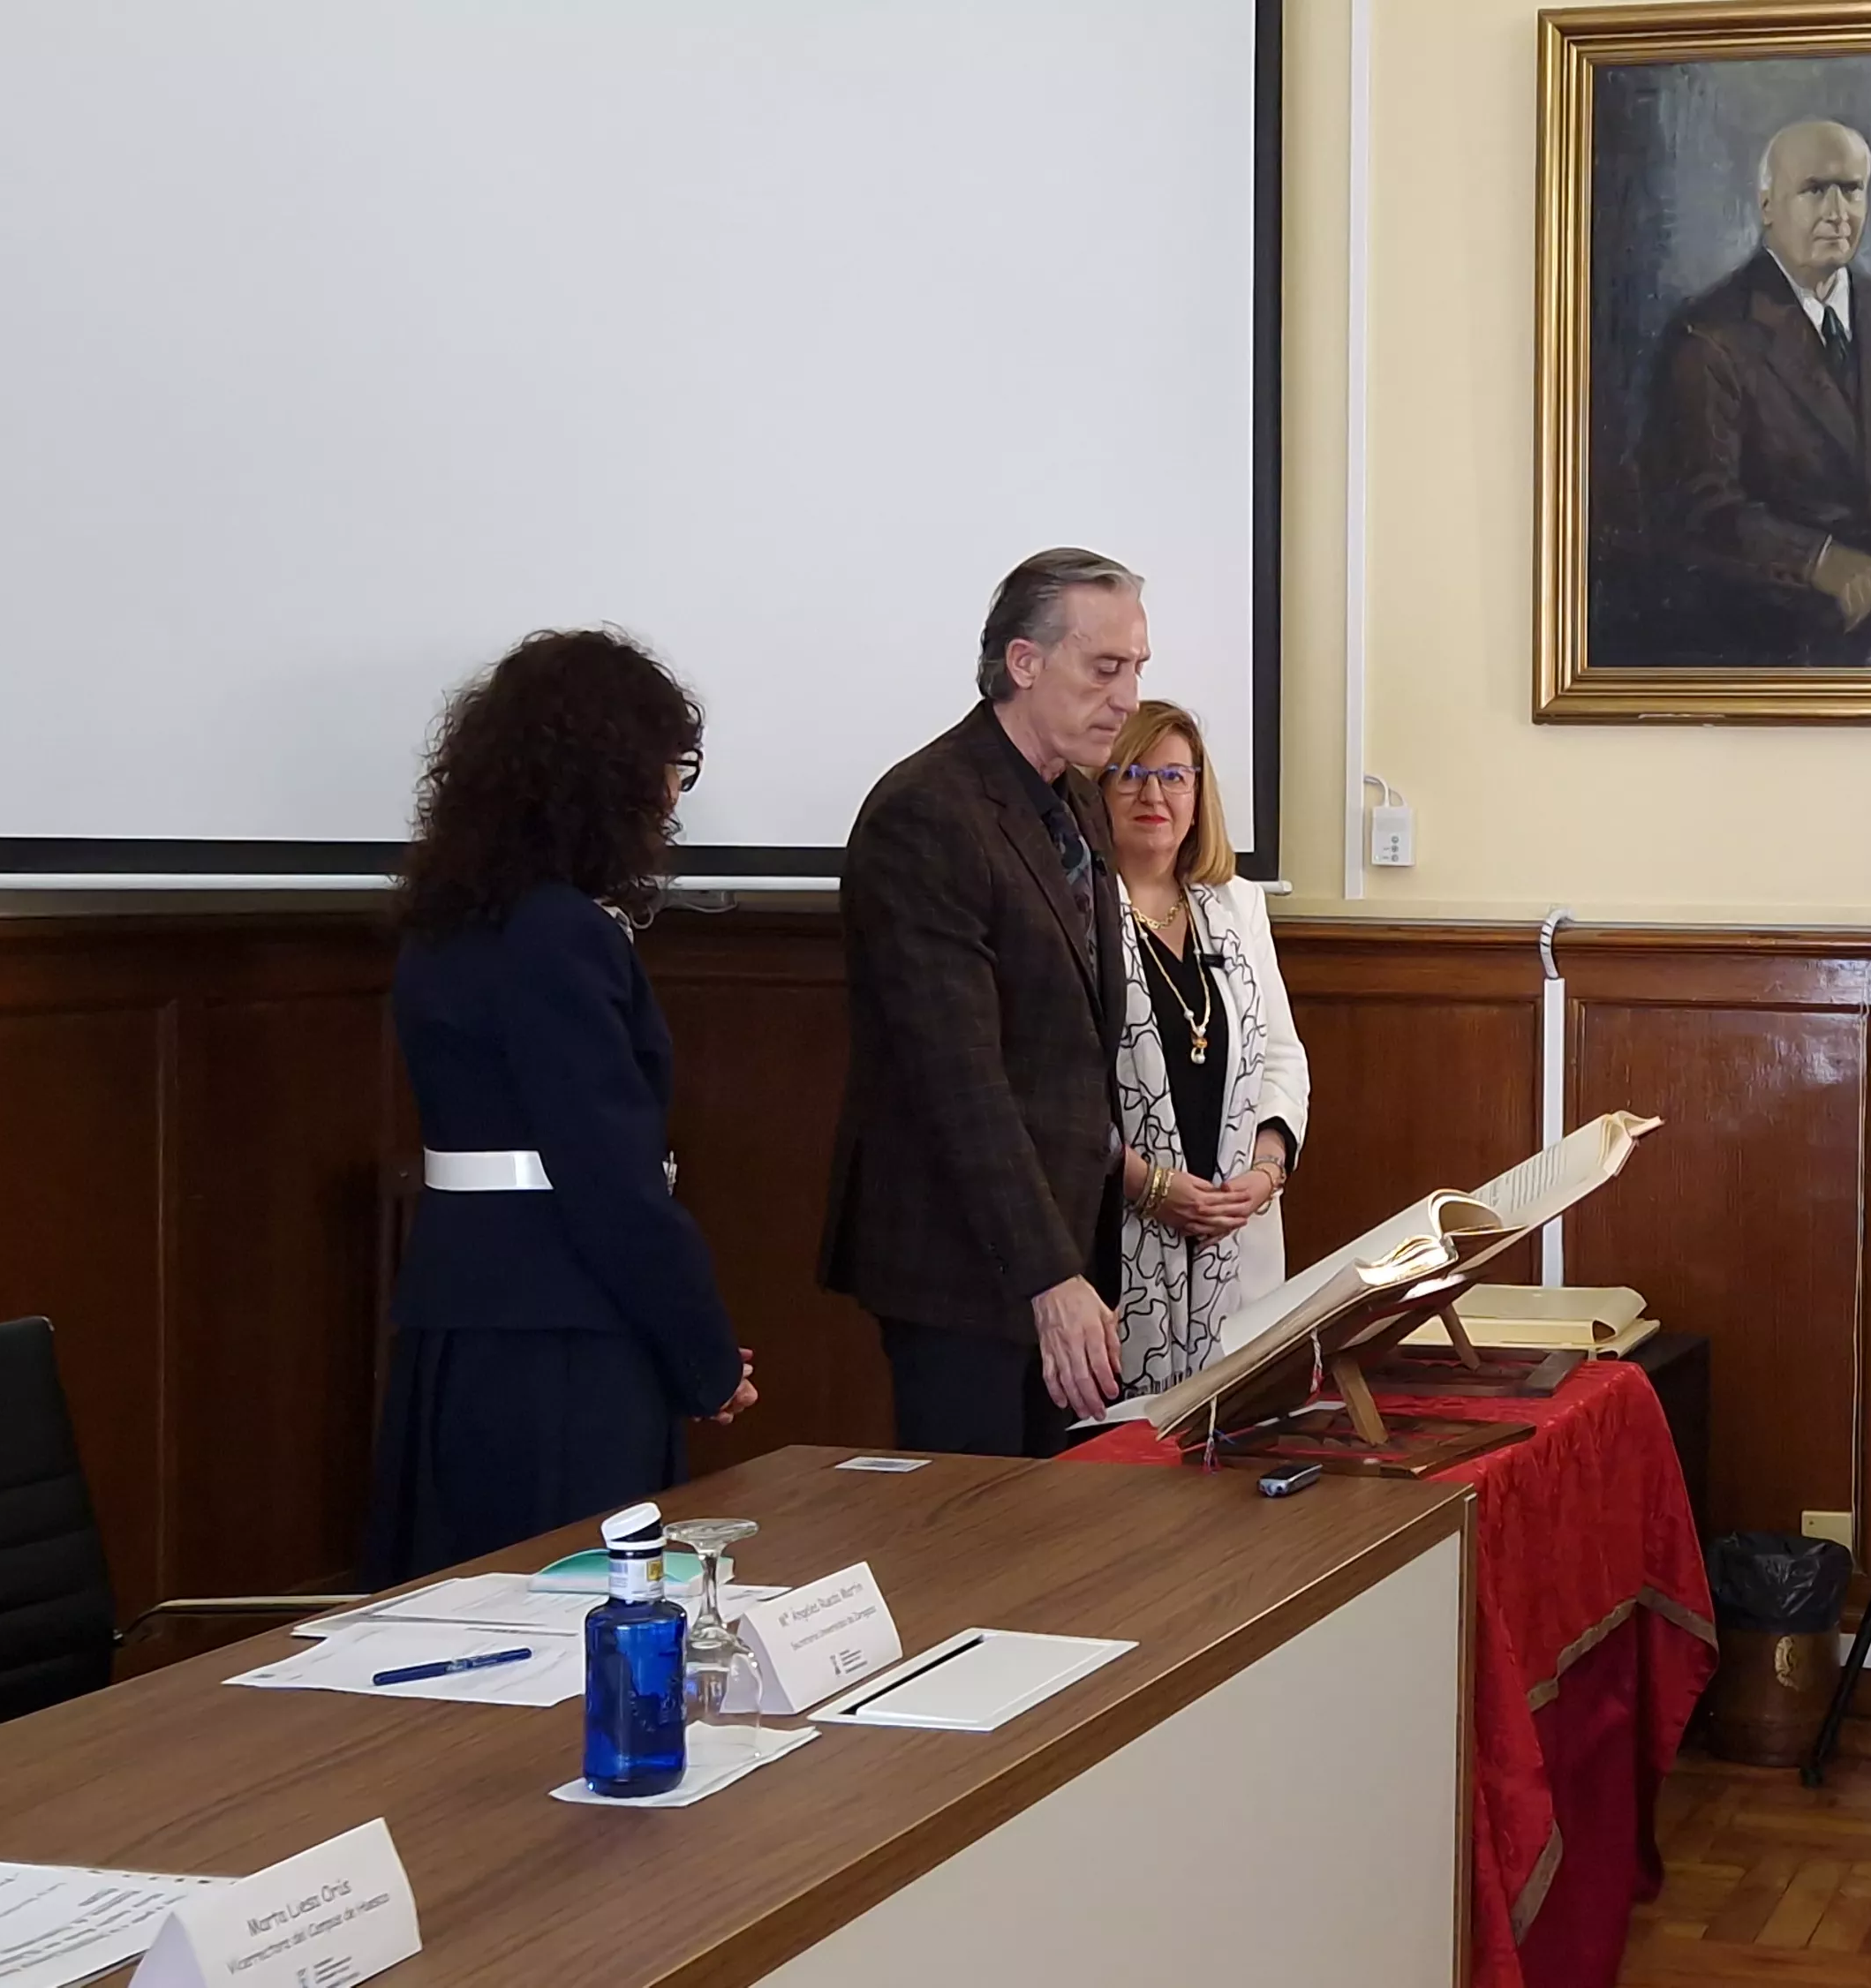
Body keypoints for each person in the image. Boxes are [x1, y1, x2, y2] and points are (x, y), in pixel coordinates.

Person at [367, 629, 756, 1585]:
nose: (673, 797)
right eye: (671, 766)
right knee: (576, 1626)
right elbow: (612, 1180)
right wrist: (703, 1355)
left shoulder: (450, 924)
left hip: (467, 1324)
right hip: (565, 1346)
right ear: (608, 773)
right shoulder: (561, 934)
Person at [822, 548, 1144, 1454]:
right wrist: (1049, 1276)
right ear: (1024, 661)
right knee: (971, 1544)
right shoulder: (925, 813)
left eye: (1136, 670)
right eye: (1104, 668)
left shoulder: (1076, 801)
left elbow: (1074, 1041)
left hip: (1059, 1242)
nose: (1125, 698)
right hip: (958, 1262)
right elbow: (957, 1077)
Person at [1634, 118, 1871, 665]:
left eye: (1852, 190)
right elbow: (1697, 508)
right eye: (1815, 190)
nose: (1838, 213)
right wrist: (1817, 559)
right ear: (1768, 206)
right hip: (1778, 633)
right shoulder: (1709, 337)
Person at [1098, 700, 1310, 1394]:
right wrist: (1148, 1185)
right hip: (1114, 1233)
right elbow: (1050, 1088)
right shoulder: (1075, 910)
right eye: (1129, 774)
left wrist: (1267, 1171)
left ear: (1199, 795)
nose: (1153, 795)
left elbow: (1280, 1055)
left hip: (1234, 1234)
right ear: (1097, 790)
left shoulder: (1237, 905)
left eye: (1173, 776)